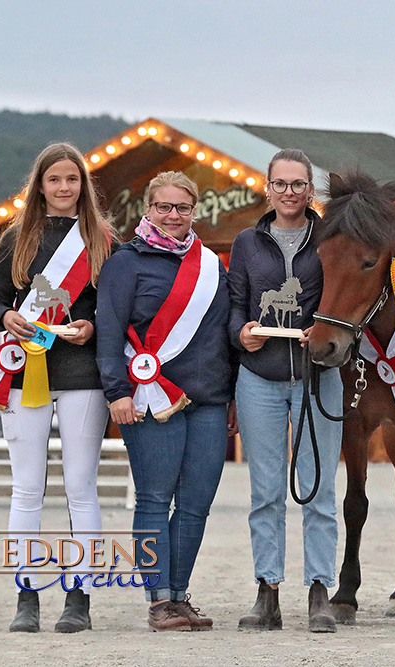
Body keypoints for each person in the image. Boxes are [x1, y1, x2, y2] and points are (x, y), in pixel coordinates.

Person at [0, 142, 114, 633]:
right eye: (54, 180)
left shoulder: (101, 240)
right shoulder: (16, 238)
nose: (63, 188)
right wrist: (9, 317)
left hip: (82, 378)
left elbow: (112, 310)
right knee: (26, 489)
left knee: (81, 488)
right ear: (40, 184)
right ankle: (25, 594)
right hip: (24, 376)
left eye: (71, 180)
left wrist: (93, 327)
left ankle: (80, 596)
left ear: (83, 186)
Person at [97, 171, 234, 632]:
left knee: (197, 502)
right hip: (149, 398)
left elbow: (222, 334)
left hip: (209, 398)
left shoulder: (211, 265)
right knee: (155, 498)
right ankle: (158, 600)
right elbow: (110, 333)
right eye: (164, 207)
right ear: (147, 210)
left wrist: (232, 395)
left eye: (182, 208)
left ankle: (179, 594)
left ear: (193, 211)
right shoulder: (125, 262)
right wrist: (116, 392)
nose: (173, 216)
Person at [227, 149, 344, 633]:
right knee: (265, 491)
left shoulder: (332, 237)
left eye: (299, 184)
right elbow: (234, 305)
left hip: (319, 376)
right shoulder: (246, 242)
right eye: (281, 183)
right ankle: (267, 590)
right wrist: (242, 335)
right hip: (260, 376)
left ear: (310, 190)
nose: (290, 192)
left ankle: (320, 589)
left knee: (318, 487)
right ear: (267, 187)